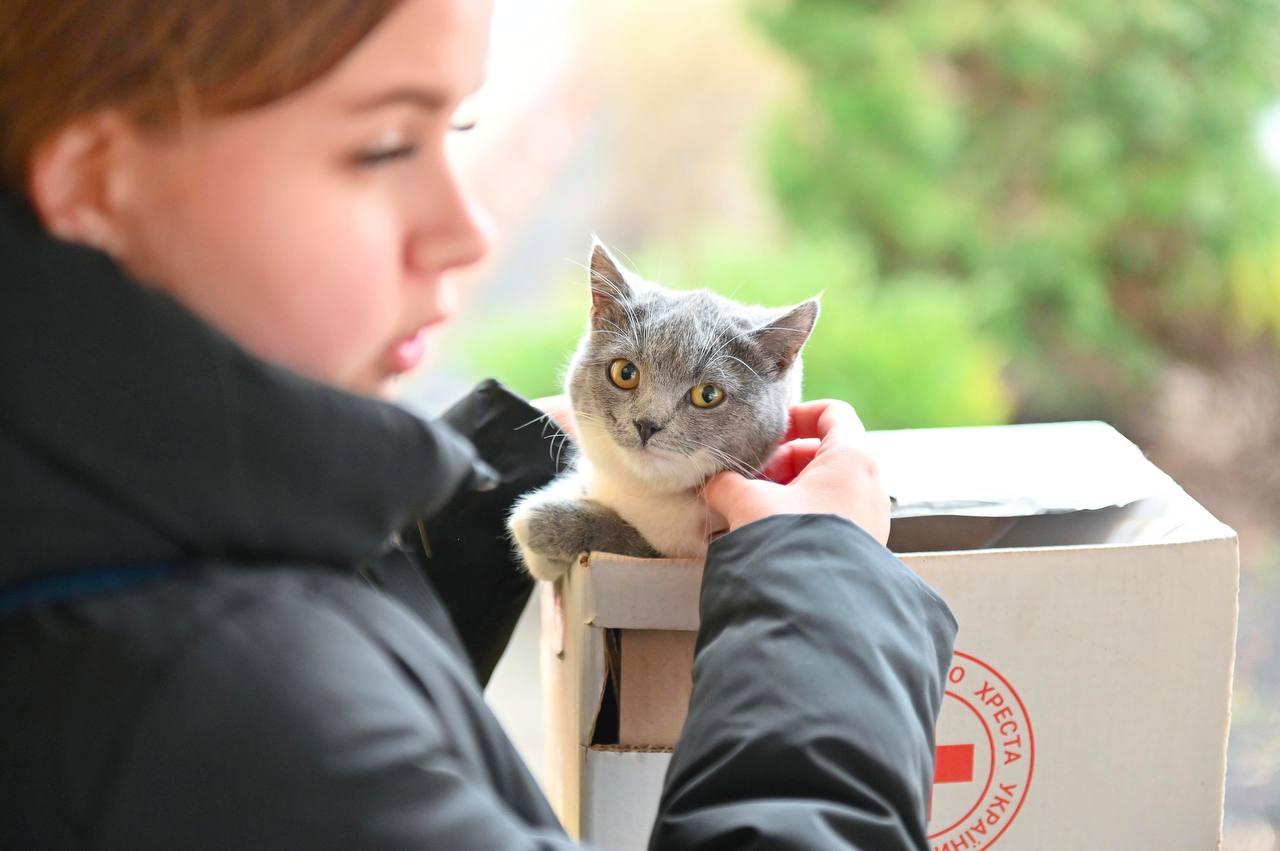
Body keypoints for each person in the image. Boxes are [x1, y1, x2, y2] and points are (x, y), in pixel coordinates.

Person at [0, 1, 958, 848]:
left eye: (454, 130)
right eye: (384, 144)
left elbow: (329, 639)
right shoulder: (216, 710)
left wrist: (490, 476)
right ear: (96, 179)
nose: (469, 231)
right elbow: (301, 718)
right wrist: (825, 584)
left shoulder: (126, 530)